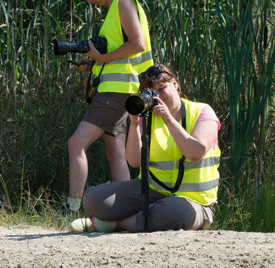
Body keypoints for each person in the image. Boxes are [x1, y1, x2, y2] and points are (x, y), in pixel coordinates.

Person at [69, 64, 221, 232]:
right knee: (93, 199)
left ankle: (115, 225)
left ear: (175, 84)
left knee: (176, 211)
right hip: (153, 191)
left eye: (162, 89)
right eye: (154, 93)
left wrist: (168, 119)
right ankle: (144, 218)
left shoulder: (202, 112)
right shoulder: (148, 117)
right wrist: (134, 123)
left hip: (194, 202)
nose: (159, 97)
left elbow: (196, 152)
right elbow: (134, 161)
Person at [65, 0, 154, 212]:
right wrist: (93, 63)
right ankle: (126, 208)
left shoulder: (123, 3)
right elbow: (121, 53)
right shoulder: (116, 8)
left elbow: (138, 44)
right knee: (114, 150)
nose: (89, 1)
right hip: (122, 88)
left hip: (116, 92)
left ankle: (72, 208)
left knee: (76, 144)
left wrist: (102, 59)